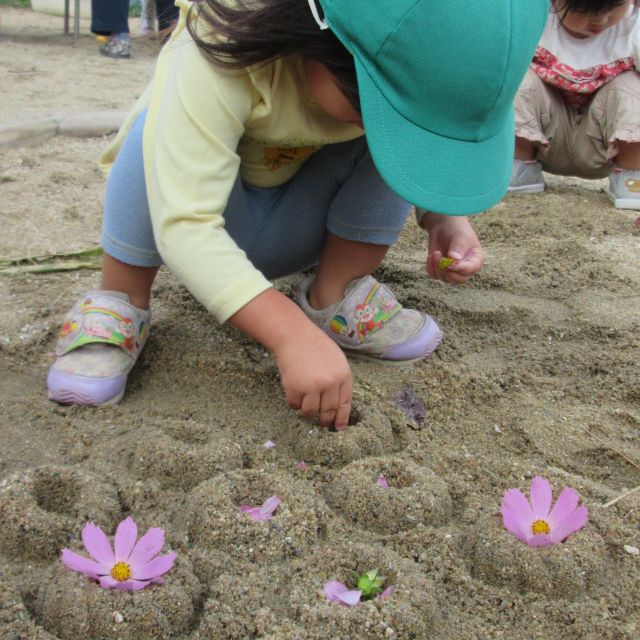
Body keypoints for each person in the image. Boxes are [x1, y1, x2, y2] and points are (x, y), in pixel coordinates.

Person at [46, 0, 547, 429]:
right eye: (370, 103)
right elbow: (187, 224)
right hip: (197, 221)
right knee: (154, 132)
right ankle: (120, 300)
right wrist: (289, 336)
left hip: (299, 222)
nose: (381, 120)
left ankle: (336, 293)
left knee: (387, 145)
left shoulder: (376, 88)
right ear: (322, 41)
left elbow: (418, 149)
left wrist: (442, 217)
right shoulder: (222, 43)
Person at [508, 0, 640, 209]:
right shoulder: (536, 17)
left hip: (604, 141)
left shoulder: (632, 27)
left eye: (614, 8)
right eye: (584, 9)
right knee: (517, 77)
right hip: (544, 134)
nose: (601, 19)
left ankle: (633, 178)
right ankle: (517, 166)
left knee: (633, 86)